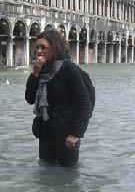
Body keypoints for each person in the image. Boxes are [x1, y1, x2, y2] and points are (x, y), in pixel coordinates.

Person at [25, 29, 91, 167]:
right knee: (45, 174)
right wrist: (35, 73)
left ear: (54, 48)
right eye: (37, 47)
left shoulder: (68, 69)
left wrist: (76, 134)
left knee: (68, 176)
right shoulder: (41, 69)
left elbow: (85, 103)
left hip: (67, 134)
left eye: (43, 47)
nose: (39, 51)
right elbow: (29, 98)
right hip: (45, 132)